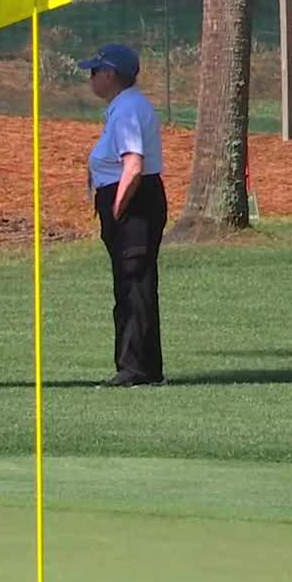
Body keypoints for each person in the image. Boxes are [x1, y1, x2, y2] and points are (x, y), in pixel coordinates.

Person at [82, 43, 167, 387]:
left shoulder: (128, 109)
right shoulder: (123, 107)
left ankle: (136, 369)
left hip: (134, 204)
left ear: (110, 75)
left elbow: (133, 165)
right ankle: (142, 367)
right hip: (133, 201)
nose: (90, 79)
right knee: (133, 284)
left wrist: (117, 210)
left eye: (94, 72)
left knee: (133, 285)